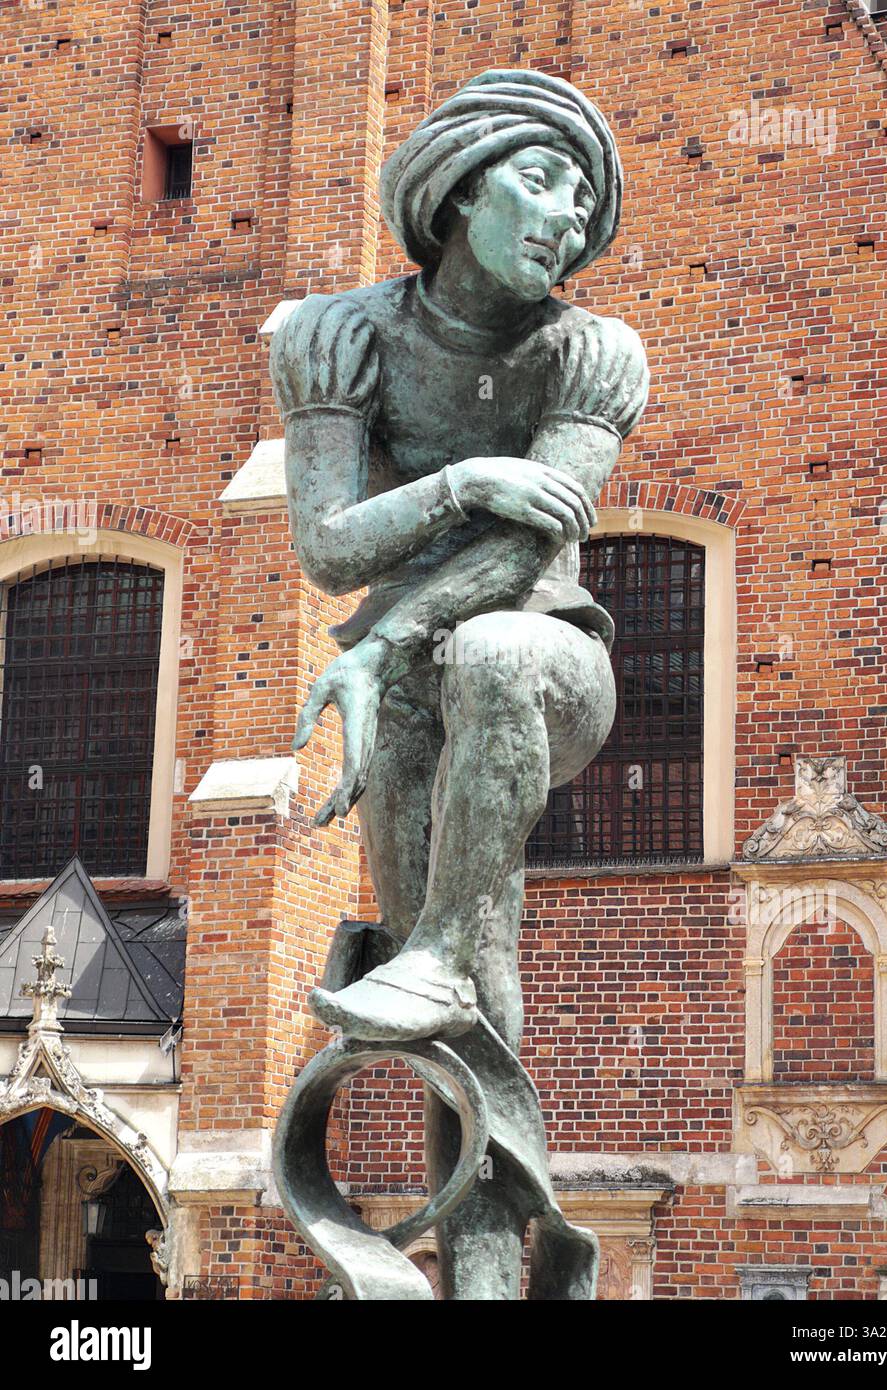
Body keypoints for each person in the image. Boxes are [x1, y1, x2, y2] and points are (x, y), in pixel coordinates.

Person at [271, 68, 647, 1071]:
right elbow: (328, 548)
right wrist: (465, 481)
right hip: (403, 693)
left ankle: (438, 948)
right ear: (462, 188)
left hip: (545, 651)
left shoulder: (593, 354)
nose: (566, 222)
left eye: (584, 207)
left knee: (490, 650)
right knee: (451, 971)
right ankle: (481, 1228)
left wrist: (382, 645)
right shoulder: (341, 337)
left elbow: (528, 549)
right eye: (542, 181)